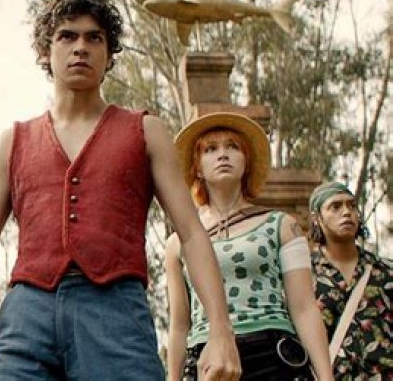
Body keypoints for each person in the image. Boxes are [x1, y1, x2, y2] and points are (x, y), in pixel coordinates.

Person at [0, 0, 240, 381]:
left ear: (109, 55)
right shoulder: (14, 141)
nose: (81, 47)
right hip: (27, 317)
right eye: (67, 36)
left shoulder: (145, 131)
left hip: (115, 313)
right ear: (45, 52)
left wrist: (220, 330)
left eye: (94, 38)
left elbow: (191, 233)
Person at [166, 112, 334, 380]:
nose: (223, 155)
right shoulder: (178, 243)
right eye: (210, 149)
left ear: (246, 162)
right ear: (197, 168)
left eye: (233, 147)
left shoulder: (282, 225)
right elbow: (178, 326)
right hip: (208, 360)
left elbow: (304, 307)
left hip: (273, 356)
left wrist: (326, 377)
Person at [308, 182, 393, 379]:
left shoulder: (385, 271)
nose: (346, 212)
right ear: (317, 218)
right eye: (335, 206)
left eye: (352, 205)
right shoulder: (303, 275)